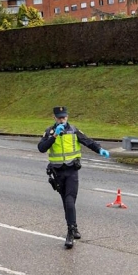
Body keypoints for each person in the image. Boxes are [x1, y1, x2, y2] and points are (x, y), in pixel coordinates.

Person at [37, 106, 110, 249]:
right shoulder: (50, 132)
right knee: (66, 202)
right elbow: (41, 148)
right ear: (54, 118)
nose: (62, 120)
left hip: (71, 171)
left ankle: (70, 233)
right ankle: (74, 227)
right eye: (59, 117)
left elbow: (87, 141)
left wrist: (100, 149)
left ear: (67, 117)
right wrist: (54, 136)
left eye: (64, 117)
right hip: (58, 173)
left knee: (70, 201)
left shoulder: (73, 130)